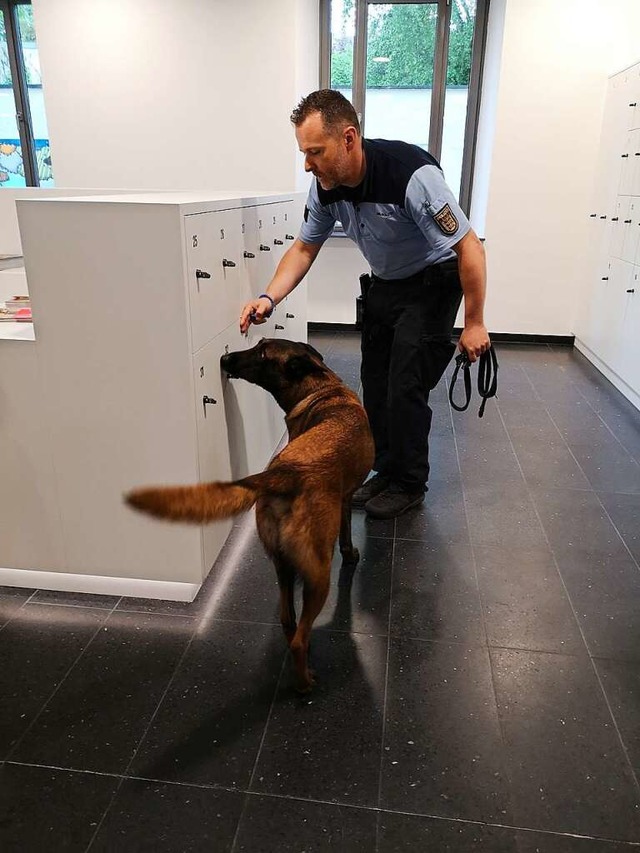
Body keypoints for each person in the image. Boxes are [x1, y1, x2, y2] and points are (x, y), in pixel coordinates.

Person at [240, 89, 490, 520]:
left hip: (433, 283)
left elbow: (469, 248)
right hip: (386, 285)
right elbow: (303, 248)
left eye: (315, 151)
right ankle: (385, 470)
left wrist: (475, 322)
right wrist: (268, 296)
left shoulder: (411, 176)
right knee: (374, 384)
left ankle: (410, 482)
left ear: (349, 139)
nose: (307, 164)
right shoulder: (326, 188)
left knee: (405, 386)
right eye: (304, 152)